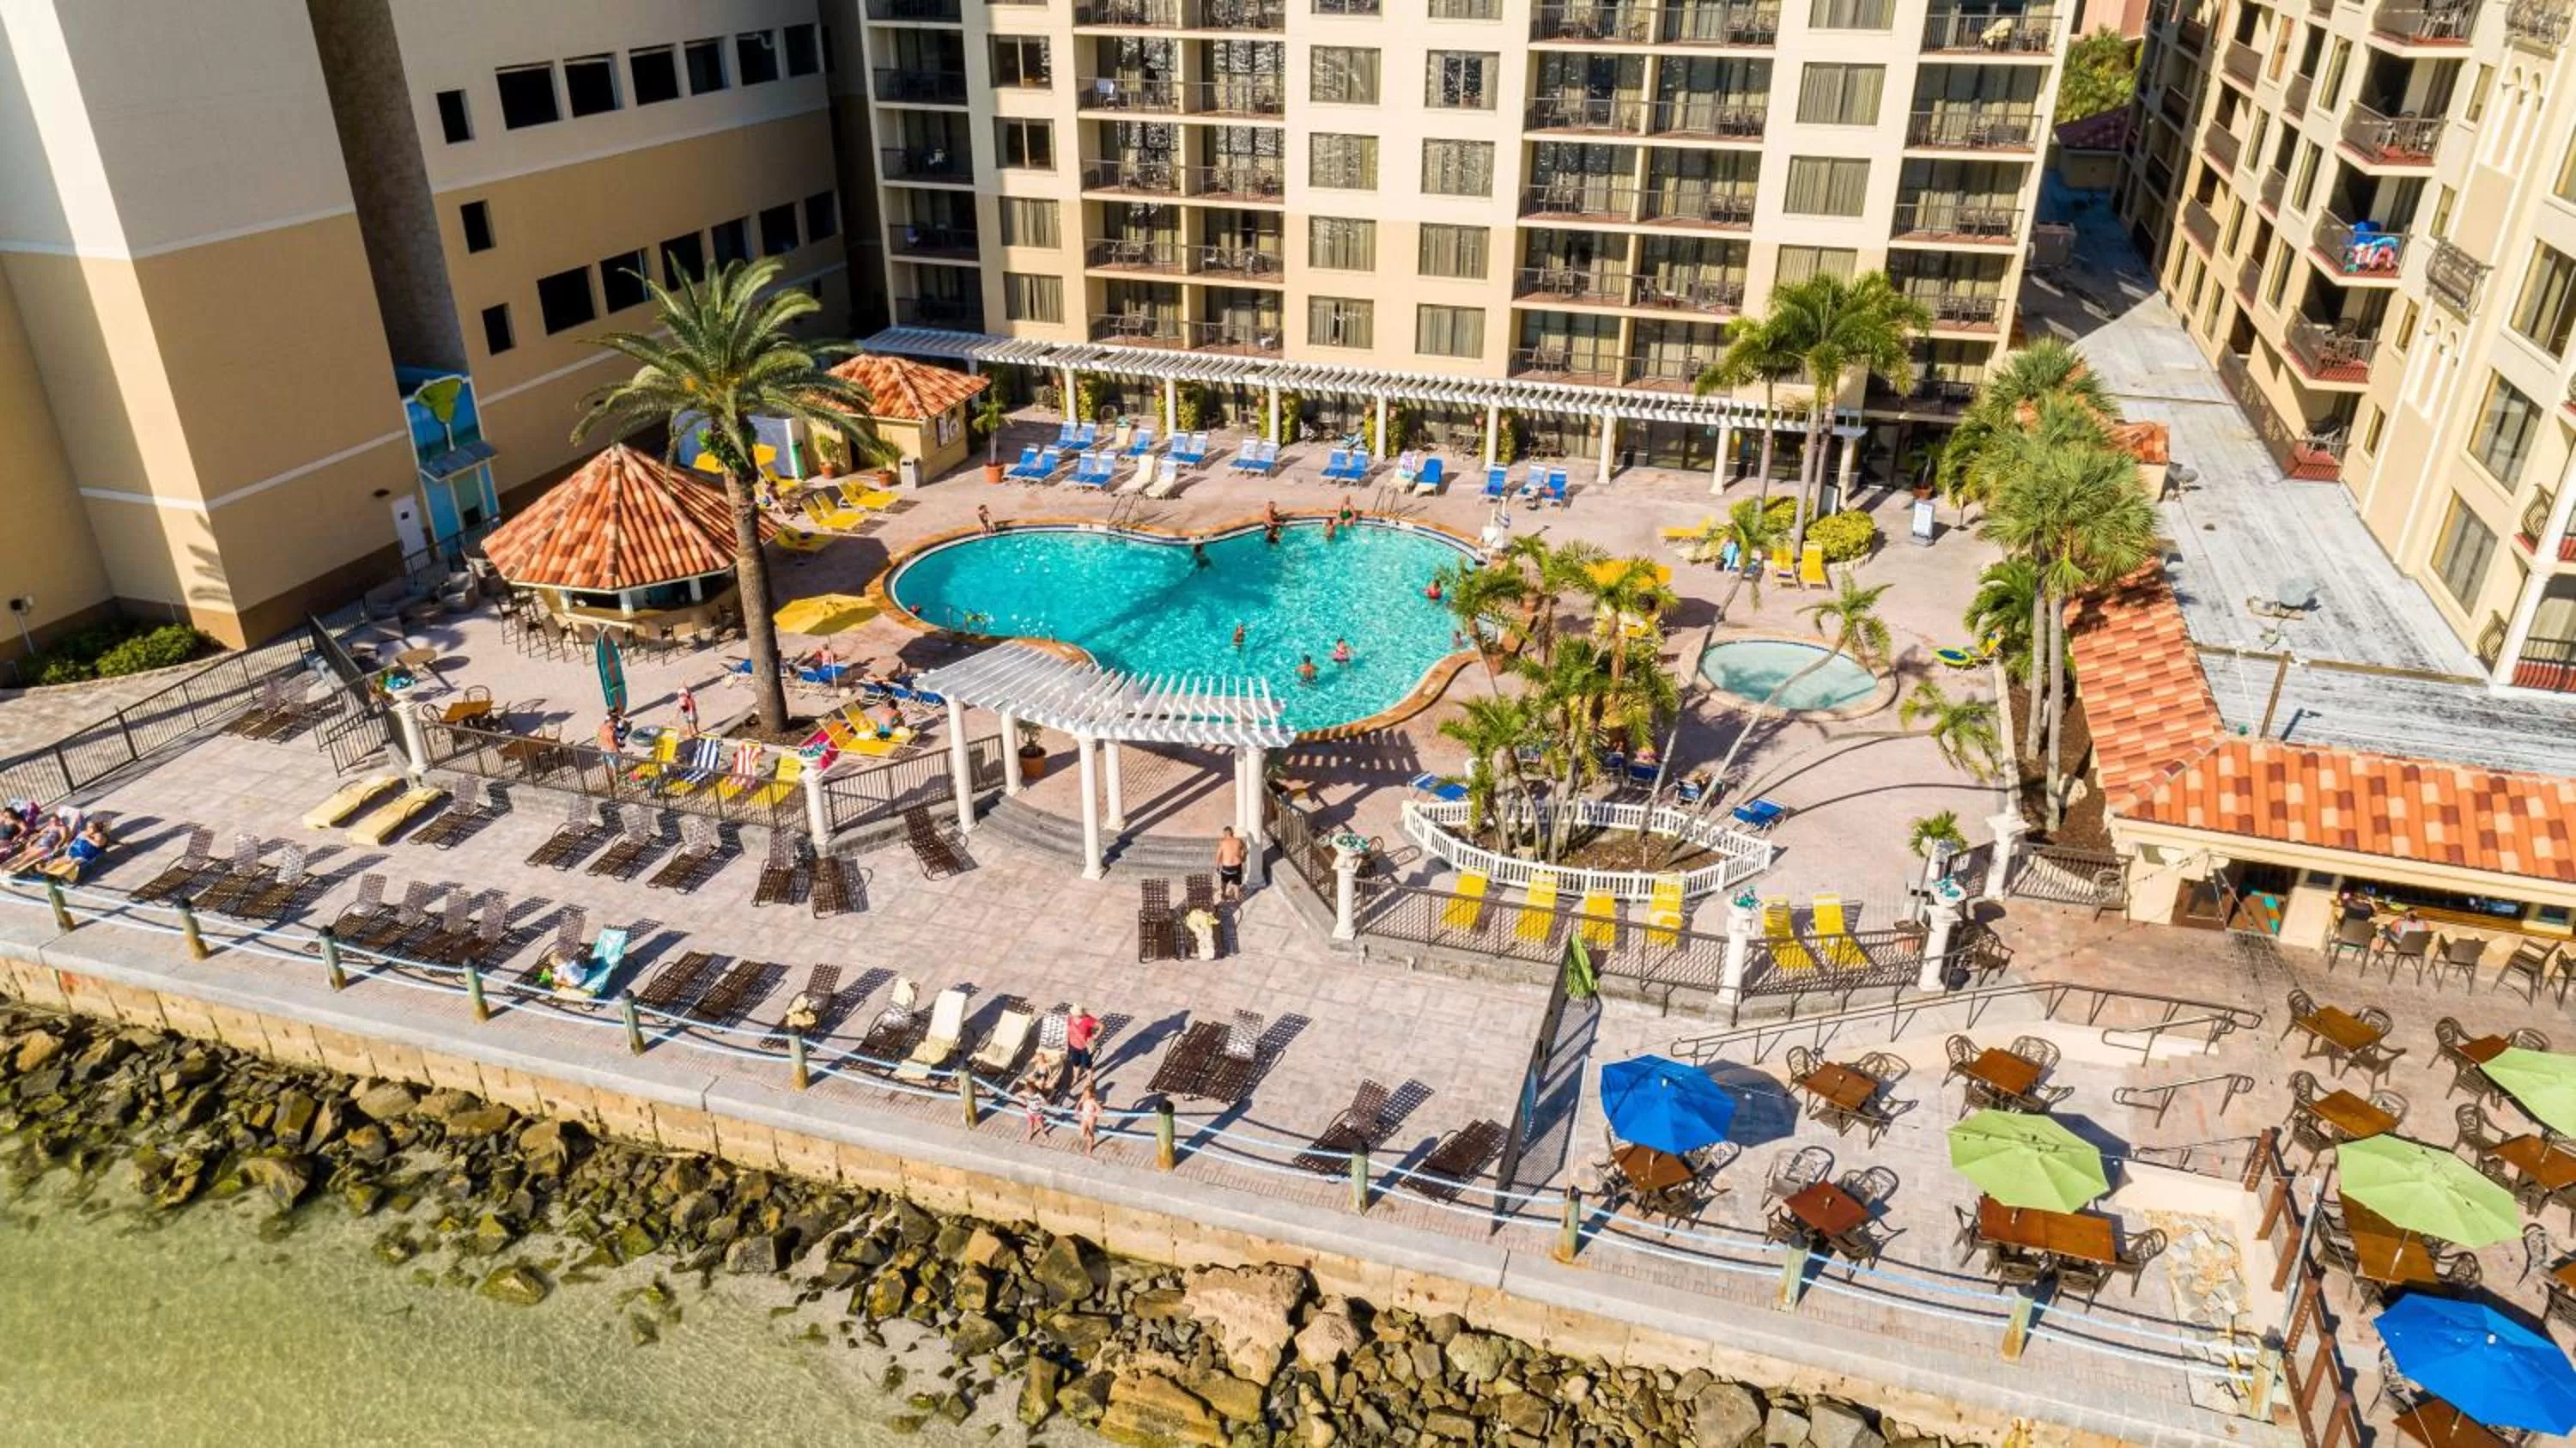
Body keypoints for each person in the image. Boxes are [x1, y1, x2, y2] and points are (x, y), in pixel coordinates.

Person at [1066, 1005, 1101, 1086]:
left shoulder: (1088, 1019)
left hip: (1085, 1047)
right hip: (1073, 1045)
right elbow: (1067, 1029)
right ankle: (1075, 1078)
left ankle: (1089, 1080)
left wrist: (1096, 1036)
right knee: (1076, 1063)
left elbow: (1102, 1026)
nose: (1074, 1016)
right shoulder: (1070, 1019)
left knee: (1087, 1065)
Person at [1215, 826, 1248, 902]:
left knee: (1224, 882)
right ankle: (1237, 897)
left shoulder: (1223, 842)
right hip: (1237, 866)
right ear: (1232, 833)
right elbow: (1245, 850)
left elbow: (1218, 855)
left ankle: (1223, 895)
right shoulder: (1239, 841)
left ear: (1224, 834)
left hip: (1227, 866)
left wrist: (1217, 867)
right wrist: (1243, 858)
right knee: (1236, 883)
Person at [1076, 1084, 1103, 1157]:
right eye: (1085, 1093)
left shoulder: (1093, 1101)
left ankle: (1090, 1147)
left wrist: (1094, 1113)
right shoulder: (1083, 1098)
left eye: (1087, 1094)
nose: (1086, 1095)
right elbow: (1079, 1104)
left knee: (1090, 1132)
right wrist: (1077, 1109)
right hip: (1085, 1117)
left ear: (1091, 1094)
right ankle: (1091, 1139)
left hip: (1091, 1119)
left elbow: (1100, 1110)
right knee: (1082, 1133)